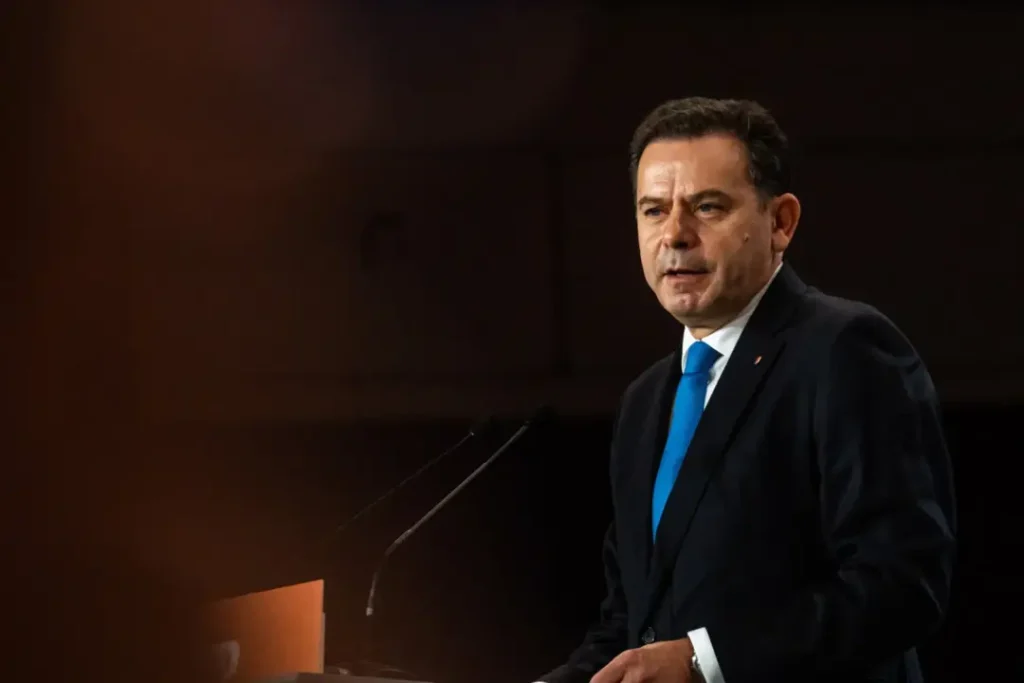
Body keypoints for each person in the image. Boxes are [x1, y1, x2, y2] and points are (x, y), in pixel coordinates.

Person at [534, 97, 956, 683]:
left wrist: (703, 661)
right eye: (653, 210)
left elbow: (901, 585)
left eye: (707, 207)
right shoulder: (645, 401)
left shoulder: (845, 351)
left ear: (780, 222)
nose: (675, 235)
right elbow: (631, 625)